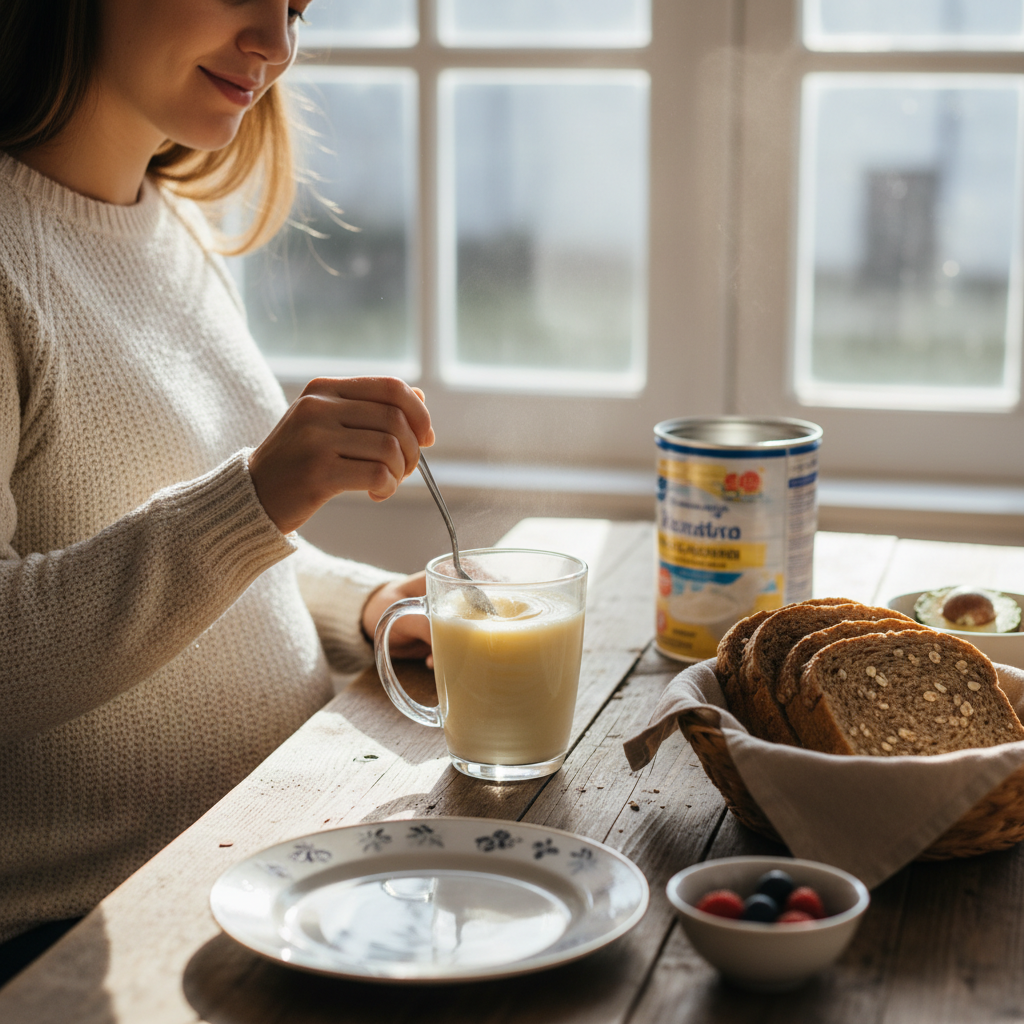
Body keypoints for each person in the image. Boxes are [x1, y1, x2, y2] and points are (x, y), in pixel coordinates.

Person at [0, 0, 434, 976]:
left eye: (295, 7)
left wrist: (365, 607)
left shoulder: (174, 229)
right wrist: (257, 497)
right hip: (75, 934)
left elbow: (202, 548)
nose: (277, 47)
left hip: (265, 855)